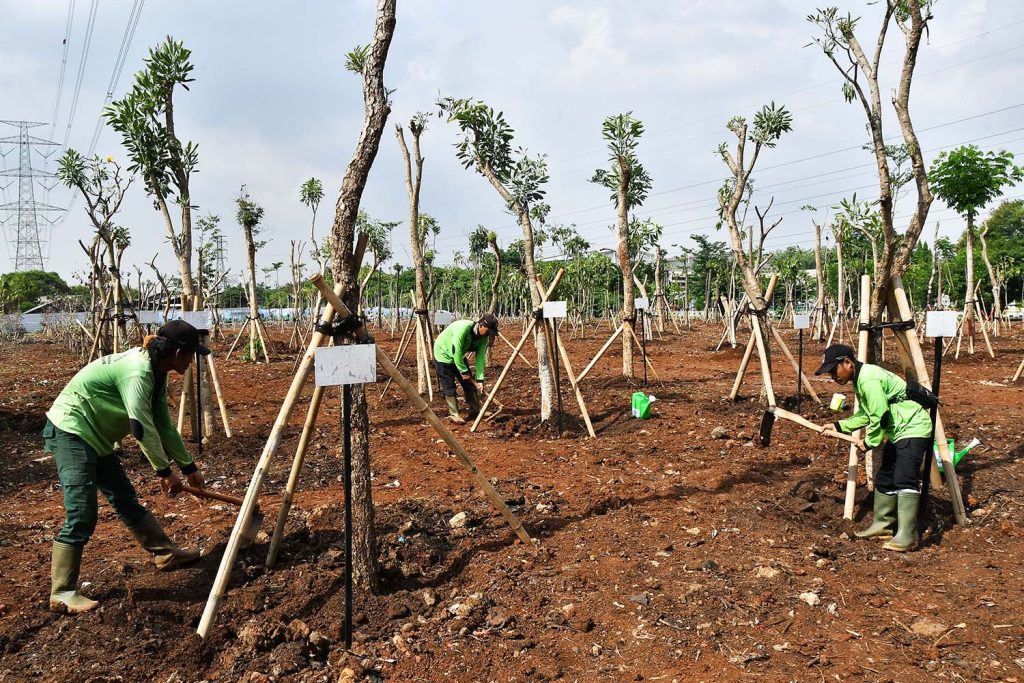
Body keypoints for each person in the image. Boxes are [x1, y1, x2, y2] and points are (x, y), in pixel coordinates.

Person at [43, 320, 209, 613]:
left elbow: (163, 424)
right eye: (193, 355)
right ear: (180, 352)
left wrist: (188, 466)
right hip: (71, 430)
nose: (193, 361)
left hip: (95, 436)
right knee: (82, 511)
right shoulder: (138, 372)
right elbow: (140, 426)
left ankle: (165, 554)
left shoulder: (157, 371)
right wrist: (163, 471)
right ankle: (62, 591)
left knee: (124, 498)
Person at [815, 343, 932, 552]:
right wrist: (839, 425)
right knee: (886, 476)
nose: (832, 377)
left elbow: (881, 415)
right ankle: (882, 525)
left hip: (912, 427)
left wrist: (870, 442)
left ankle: (905, 535)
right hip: (899, 430)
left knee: (905, 478)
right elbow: (867, 414)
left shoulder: (869, 378)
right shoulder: (859, 379)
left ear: (848, 363)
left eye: (834, 370)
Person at [433, 313, 498, 423]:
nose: (489, 335)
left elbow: (480, 358)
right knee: (449, 386)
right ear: (481, 325)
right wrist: (463, 371)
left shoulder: (483, 338)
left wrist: (480, 379)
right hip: (443, 354)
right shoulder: (462, 329)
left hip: (458, 357)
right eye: (488, 331)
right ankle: (454, 415)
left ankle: (476, 410)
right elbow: (456, 351)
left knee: (469, 384)